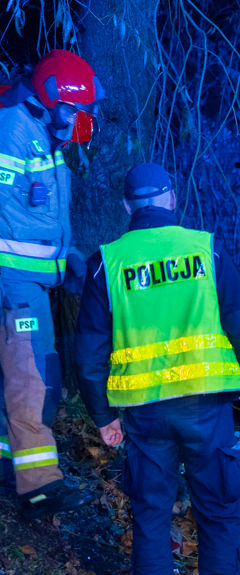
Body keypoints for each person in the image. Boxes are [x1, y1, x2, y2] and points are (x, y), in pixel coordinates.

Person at [75, 163, 240, 575]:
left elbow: (89, 352)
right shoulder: (207, 250)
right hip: (206, 407)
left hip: (144, 415)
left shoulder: (106, 264)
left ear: (127, 205)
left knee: (150, 519)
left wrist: (103, 416)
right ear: (172, 198)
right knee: (218, 514)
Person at [0, 49, 104, 517]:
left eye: (83, 112)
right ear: (47, 99)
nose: (78, 120)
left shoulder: (44, 135)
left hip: (32, 281)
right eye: (71, 109)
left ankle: (9, 464)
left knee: (24, 373)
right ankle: (39, 486)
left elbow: (37, 217)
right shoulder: (12, 131)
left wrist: (69, 258)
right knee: (34, 376)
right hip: (14, 283)